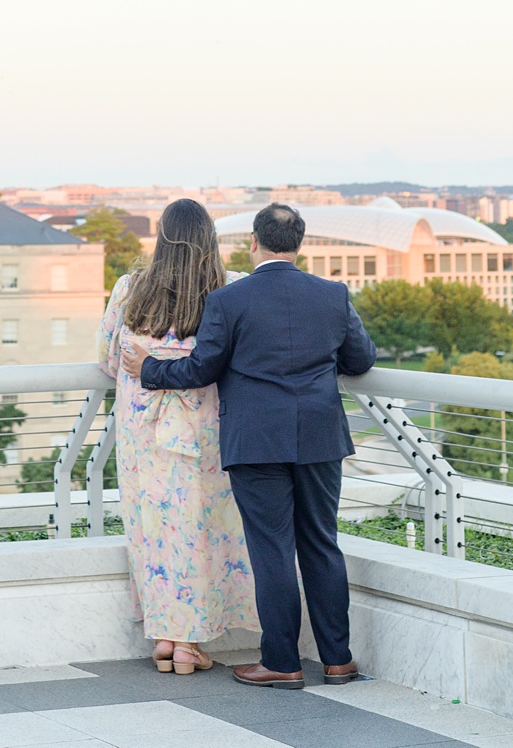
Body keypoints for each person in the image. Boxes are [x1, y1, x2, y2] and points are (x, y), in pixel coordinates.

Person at [122, 201, 376, 690]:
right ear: (300, 244)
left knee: (273, 549)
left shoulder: (230, 300)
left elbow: (201, 370)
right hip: (320, 436)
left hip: (256, 440)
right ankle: (339, 660)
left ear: (253, 243)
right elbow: (361, 358)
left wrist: (147, 369)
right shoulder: (332, 294)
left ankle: (282, 663)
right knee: (322, 543)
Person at [96, 198, 259, 674]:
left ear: (161, 238)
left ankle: (166, 638)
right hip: (206, 430)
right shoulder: (230, 290)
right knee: (202, 532)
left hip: (141, 432)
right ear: (209, 239)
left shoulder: (130, 289)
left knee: (154, 531)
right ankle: (188, 644)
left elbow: (108, 360)